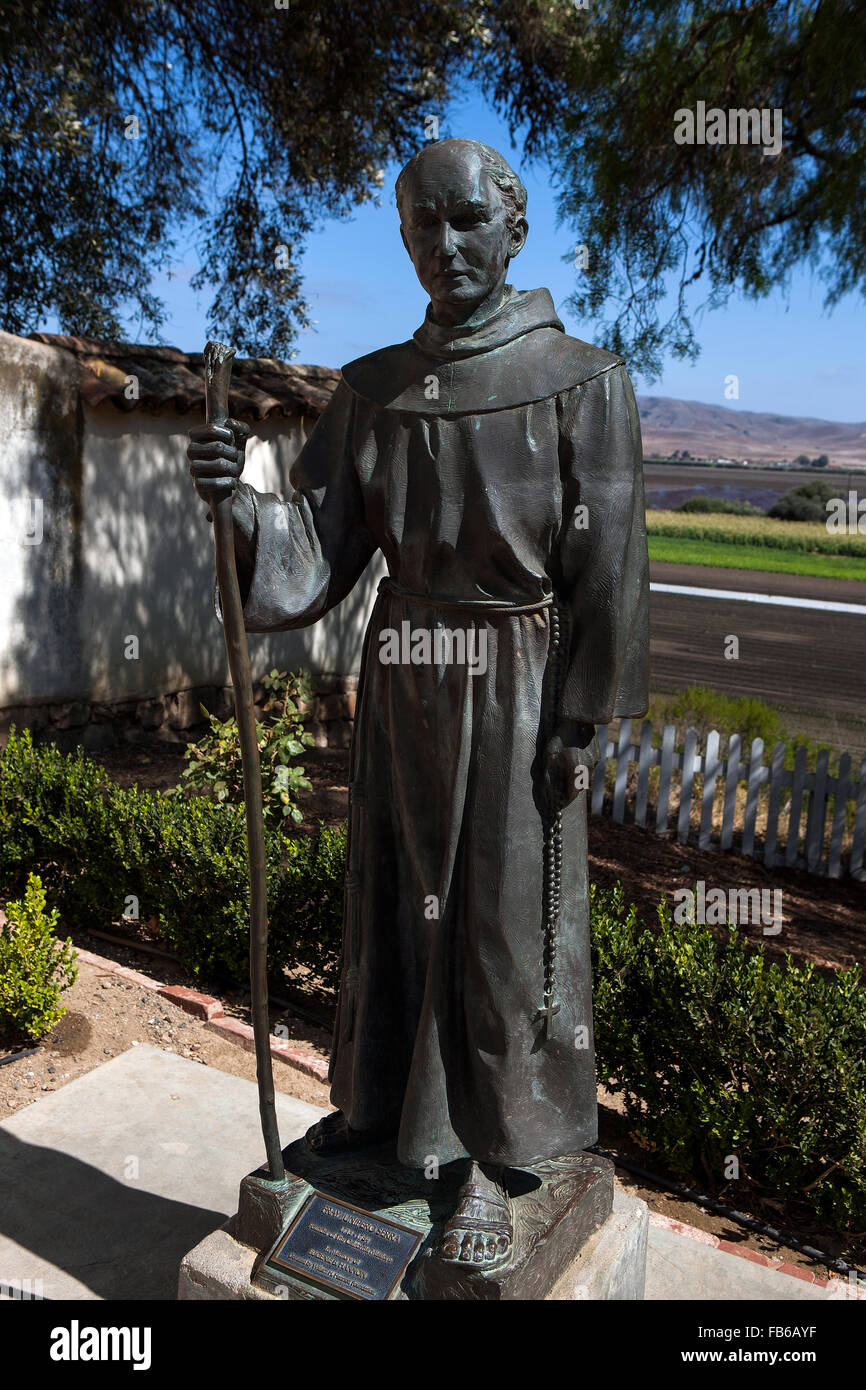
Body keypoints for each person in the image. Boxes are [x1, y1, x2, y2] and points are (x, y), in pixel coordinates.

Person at [188, 138, 649, 1270]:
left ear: (511, 226)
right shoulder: (372, 392)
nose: (441, 245)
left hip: (517, 683)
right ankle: (388, 1122)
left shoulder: (583, 381)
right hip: (404, 679)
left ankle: (494, 1156)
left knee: (500, 922)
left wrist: (575, 720)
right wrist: (240, 509)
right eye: (418, 227)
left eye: (461, 221)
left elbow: (613, 570)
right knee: (392, 901)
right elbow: (310, 550)